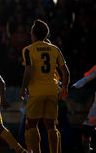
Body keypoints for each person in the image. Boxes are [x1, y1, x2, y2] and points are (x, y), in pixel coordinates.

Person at [20, 19, 70, 153]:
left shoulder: (28, 50)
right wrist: (64, 87)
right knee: (51, 125)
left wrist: (23, 87)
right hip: (52, 91)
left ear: (33, 34)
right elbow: (65, 71)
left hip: (36, 92)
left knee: (31, 124)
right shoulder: (55, 49)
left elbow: (29, 70)